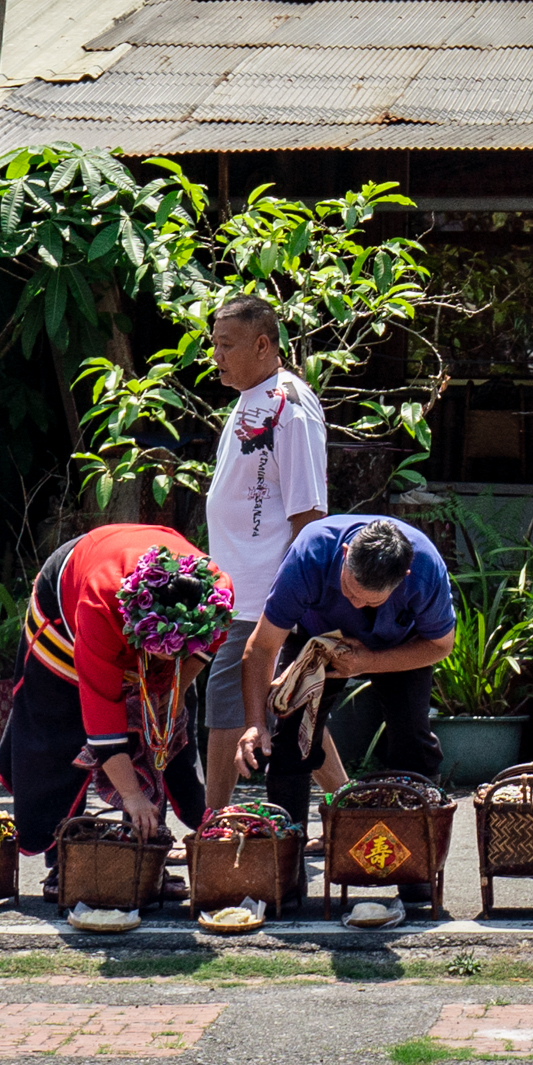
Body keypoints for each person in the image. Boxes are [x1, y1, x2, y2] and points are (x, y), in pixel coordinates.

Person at [243, 513, 453, 867]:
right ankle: (285, 873)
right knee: (290, 741)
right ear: (344, 553)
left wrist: (368, 662)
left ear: (403, 578)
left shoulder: (426, 567)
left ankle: (414, 868)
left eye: (369, 601)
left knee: (412, 740)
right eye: (349, 591)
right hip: (315, 640)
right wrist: (254, 723)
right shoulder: (310, 554)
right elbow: (261, 647)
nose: (355, 604)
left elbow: (440, 645)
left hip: (397, 648)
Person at [6, 504, 214, 856]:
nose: (163, 658)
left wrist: (170, 698)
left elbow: (205, 647)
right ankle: (65, 855)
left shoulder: (214, 594)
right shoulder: (98, 607)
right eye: (160, 650)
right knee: (61, 728)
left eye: (174, 649)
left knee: (162, 729)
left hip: (130, 588)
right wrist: (131, 795)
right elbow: (102, 716)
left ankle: (147, 847)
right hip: (70, 605)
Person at [198, 295, 325, 799]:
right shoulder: (254, 397)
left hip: (263, 589)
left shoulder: (288, 407)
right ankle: (345, 806)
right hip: (236, 586)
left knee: (226, 700)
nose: (216, 357)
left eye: (226, 346)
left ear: (263, 344)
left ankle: (212, 824)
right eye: (214, 345)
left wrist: (297, 595)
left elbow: (309, 512)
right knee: (287, 701)